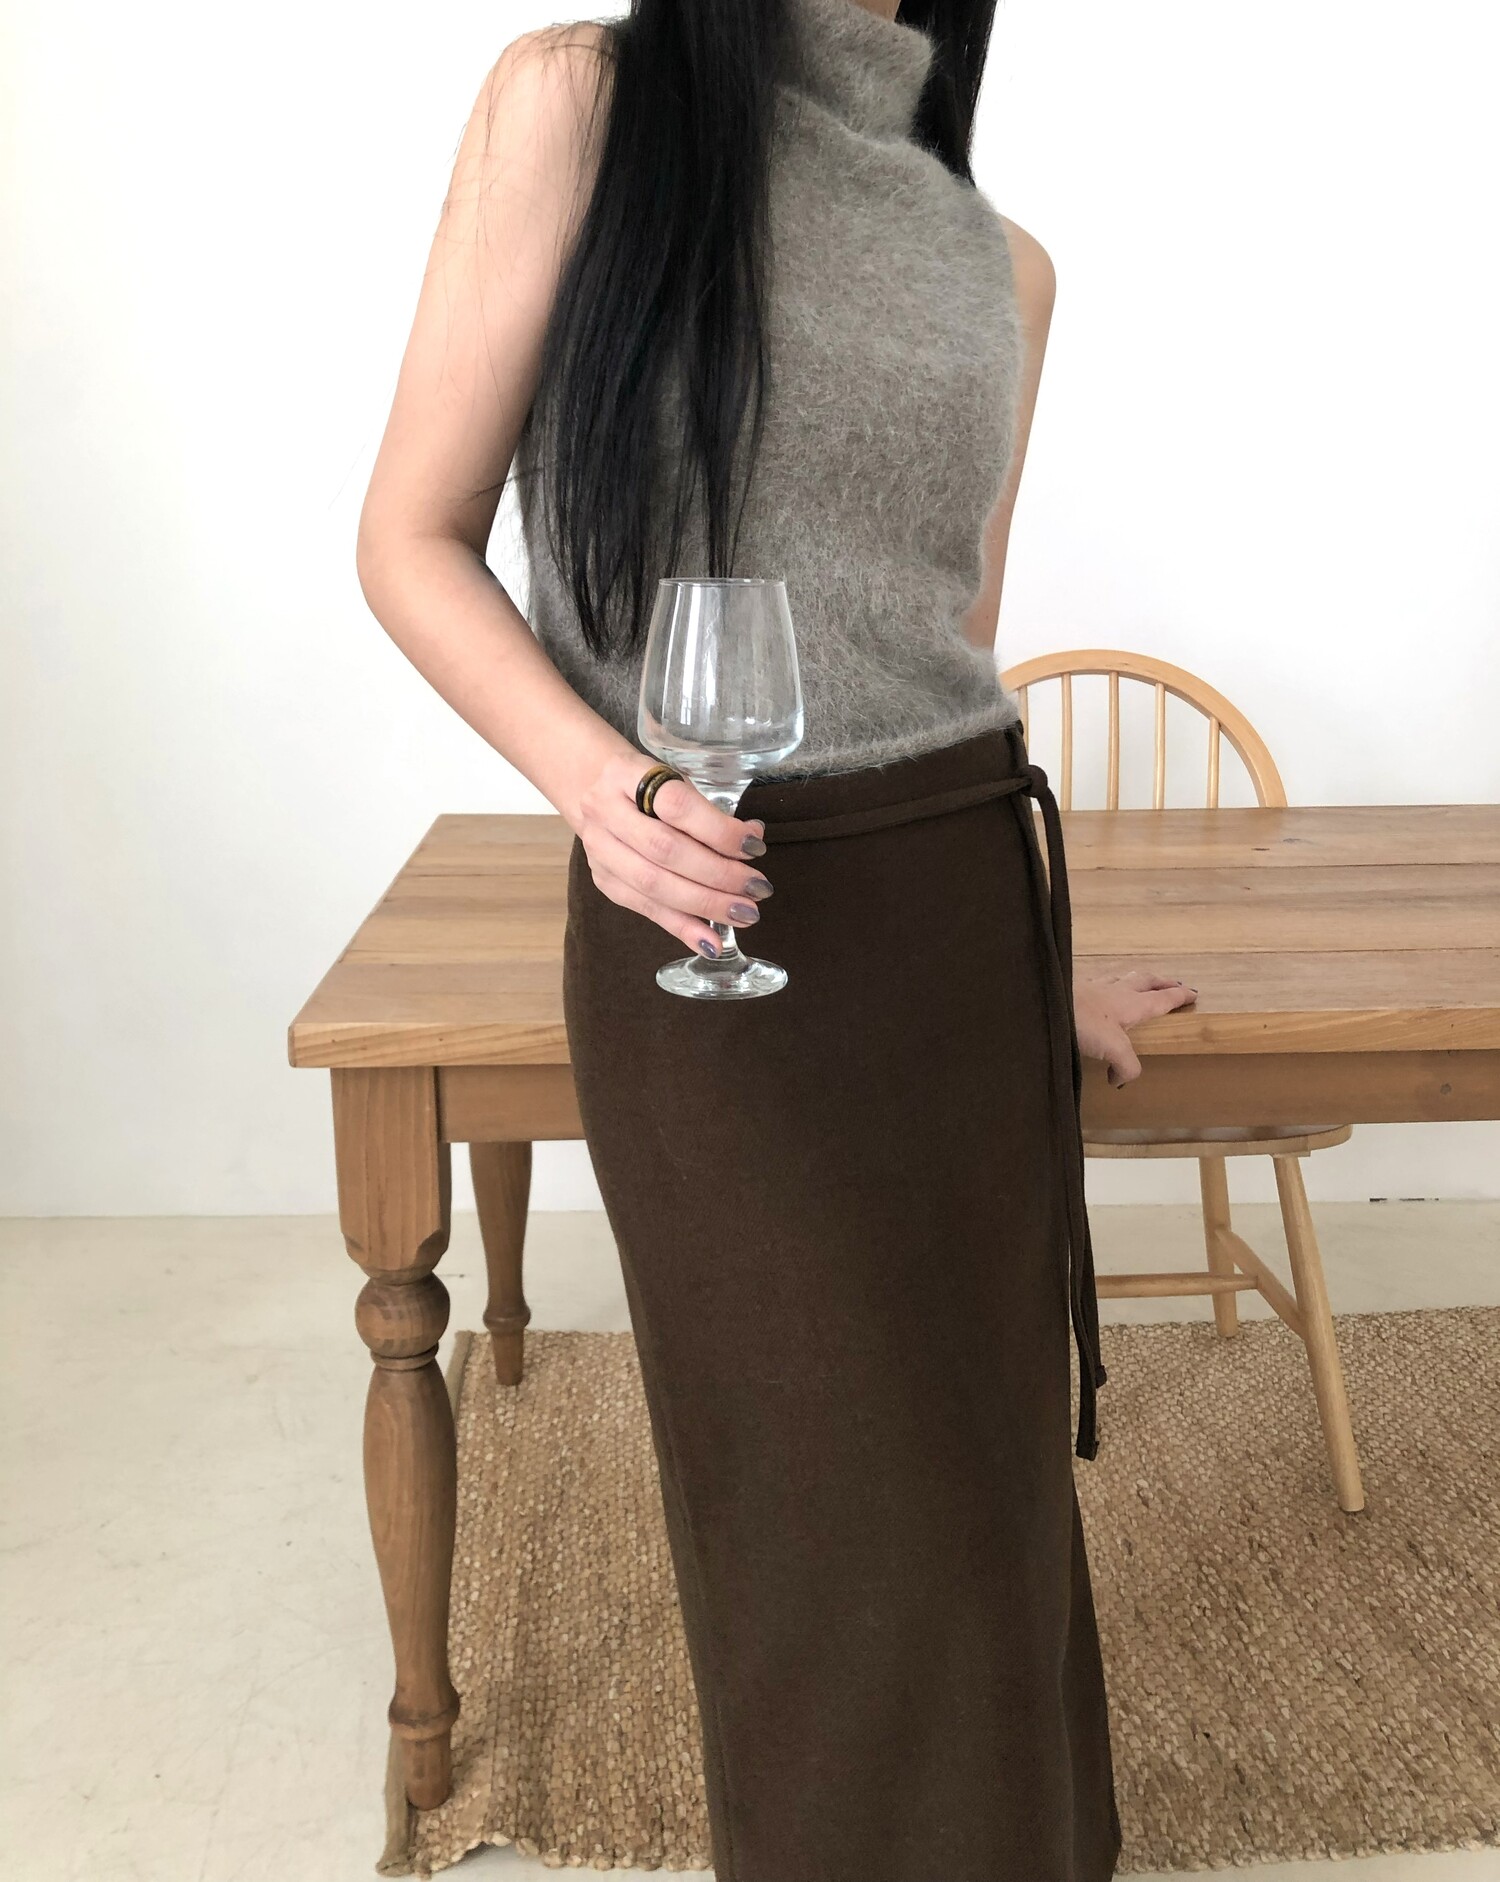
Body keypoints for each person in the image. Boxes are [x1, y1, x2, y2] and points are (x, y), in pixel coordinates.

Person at [356, 0, 1197, 1874]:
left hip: (959, 917)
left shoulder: (999, 259)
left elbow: (945, 641)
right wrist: (605, 790)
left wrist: (1035, 951)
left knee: (985, 1500)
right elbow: (410, 535)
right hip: (702, 914)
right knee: (821, 1525)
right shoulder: (581, 105)